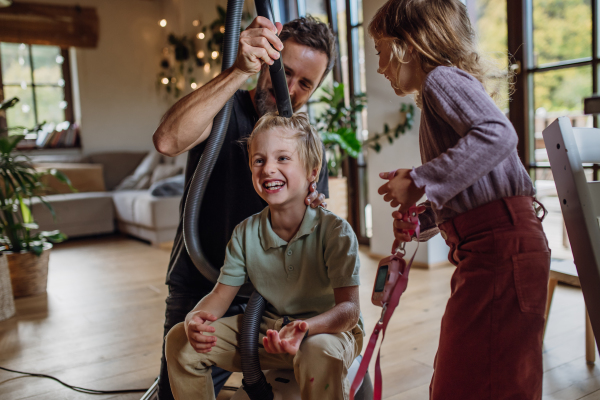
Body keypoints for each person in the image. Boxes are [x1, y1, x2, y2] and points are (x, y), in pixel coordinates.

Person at [369, 0, 550, 399]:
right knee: (482, 371)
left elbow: (498, 134)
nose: (380, 67)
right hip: (492, 248)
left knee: (472, 378)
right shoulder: (444, 87)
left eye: (381, 52)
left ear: (408, 46)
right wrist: (425, 216)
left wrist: (419, 179)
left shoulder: (440, 80)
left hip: (501, 249)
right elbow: (476, 190)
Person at [152, 15, 338, 400]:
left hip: (269, 299)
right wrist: (238, 70)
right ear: (267, 59)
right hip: (202, 283)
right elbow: (168, 140)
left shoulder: (307, 147)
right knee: (182, 376)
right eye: (284, 71)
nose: (293, 88)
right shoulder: (223, 109)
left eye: (306, 82)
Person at [164, 112, 363, 400]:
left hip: (327, 333)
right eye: (259, 160)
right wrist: (196, 318)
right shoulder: (245, 233)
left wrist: (305, 328)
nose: (268, 168)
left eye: (283, 158)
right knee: (179, 341)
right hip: (270, 332)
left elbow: (349, 311)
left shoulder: (335, 232)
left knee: (317, 351)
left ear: (312, 172)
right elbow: (220, 295)